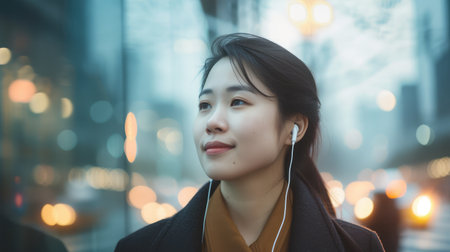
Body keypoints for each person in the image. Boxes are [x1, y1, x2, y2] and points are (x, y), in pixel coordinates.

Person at [115, 33, 385, 252]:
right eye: (205, 105)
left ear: (294, 126)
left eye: (238, 102)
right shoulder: (138, 247)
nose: (212, 122)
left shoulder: (360, 247)